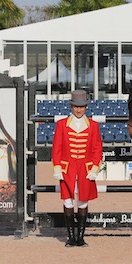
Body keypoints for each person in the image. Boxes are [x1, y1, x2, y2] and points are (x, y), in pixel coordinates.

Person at [52, 90, 103, 247]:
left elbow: (97, 148)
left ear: (86, 107)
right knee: (68, 201)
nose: (78, 110)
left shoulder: (93, 126)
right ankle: (70, 237)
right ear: (71, 106)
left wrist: (95, 168)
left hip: (85, 169)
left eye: (81, 107)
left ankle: (80, 237)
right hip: (68, 168)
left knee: (82, 202)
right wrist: (57, 167)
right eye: (75, 107)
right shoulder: (61, 125)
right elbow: (56, 148)